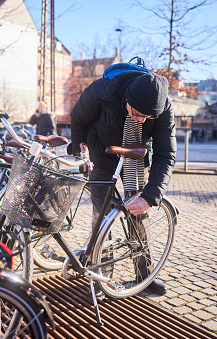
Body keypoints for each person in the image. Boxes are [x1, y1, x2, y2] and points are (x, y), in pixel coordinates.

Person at [70, 72, 176, 298]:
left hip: (134, 158)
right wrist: (79, 148)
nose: (141, 121)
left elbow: (166, 154)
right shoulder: (102, 91)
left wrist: (150, 196)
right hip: (101, 153)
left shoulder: (162, 108)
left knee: (138, 214)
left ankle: (144, 277)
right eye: (138, 114)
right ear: (128, 99)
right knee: (101, 214)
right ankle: (100, 278)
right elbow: (78, 118)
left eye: (148, 117)